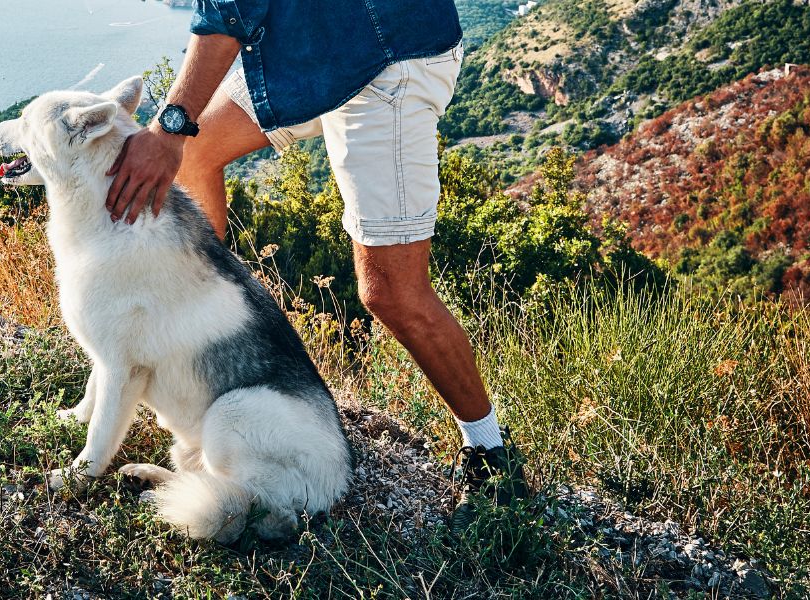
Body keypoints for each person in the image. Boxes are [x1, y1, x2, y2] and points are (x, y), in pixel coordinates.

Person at [104, 0, 529, 521]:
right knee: (195, 152)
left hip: (385, 57)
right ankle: (208, 332)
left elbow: (229, 11)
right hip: (315, 46)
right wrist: (178, 136)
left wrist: (168, 127)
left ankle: (491, 452)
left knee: (392, 293)